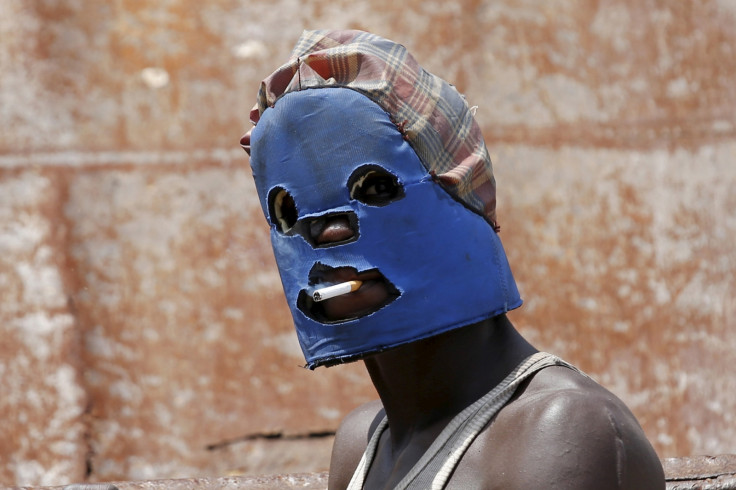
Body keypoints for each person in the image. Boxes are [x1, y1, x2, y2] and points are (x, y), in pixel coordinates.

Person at [241, 29, 665, 489]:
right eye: (290, 212)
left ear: (461, 193)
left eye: (376, 188)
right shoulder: (361, 443)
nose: (329, 231)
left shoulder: (561, 429)